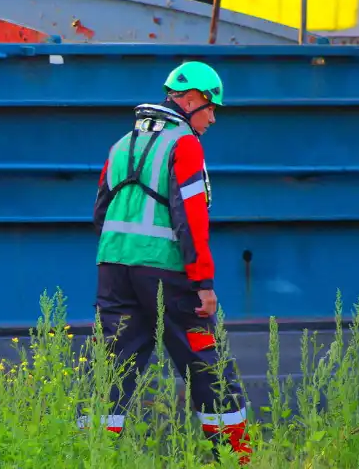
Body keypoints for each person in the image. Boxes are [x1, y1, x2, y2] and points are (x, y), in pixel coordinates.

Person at [87, 61, 253, 465]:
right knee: (206, 362)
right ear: (192, 100)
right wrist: (204, 282)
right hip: (167, 273)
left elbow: (100, 212)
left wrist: (123, 252)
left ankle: (91, 454)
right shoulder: (184, 144)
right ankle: (235, 457)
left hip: (113, 269)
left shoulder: (121, 144)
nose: (213, 118)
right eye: (212, 107)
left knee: (112, 367)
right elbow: (191, 218)